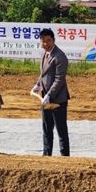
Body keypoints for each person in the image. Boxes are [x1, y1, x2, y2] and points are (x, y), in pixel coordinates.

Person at [32, 28, 70, 156]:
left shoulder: (60, 56)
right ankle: (46, 154)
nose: (46, 44)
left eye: (48, 41)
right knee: (47, 128)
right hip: (45, 98)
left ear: (53, 40)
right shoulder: (44, 53)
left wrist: (49, 95)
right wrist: (38, 85)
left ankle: (64, 157)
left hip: (58, 99)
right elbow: (43, 74)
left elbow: (59, 79)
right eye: (43, 41)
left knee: (61, 129)